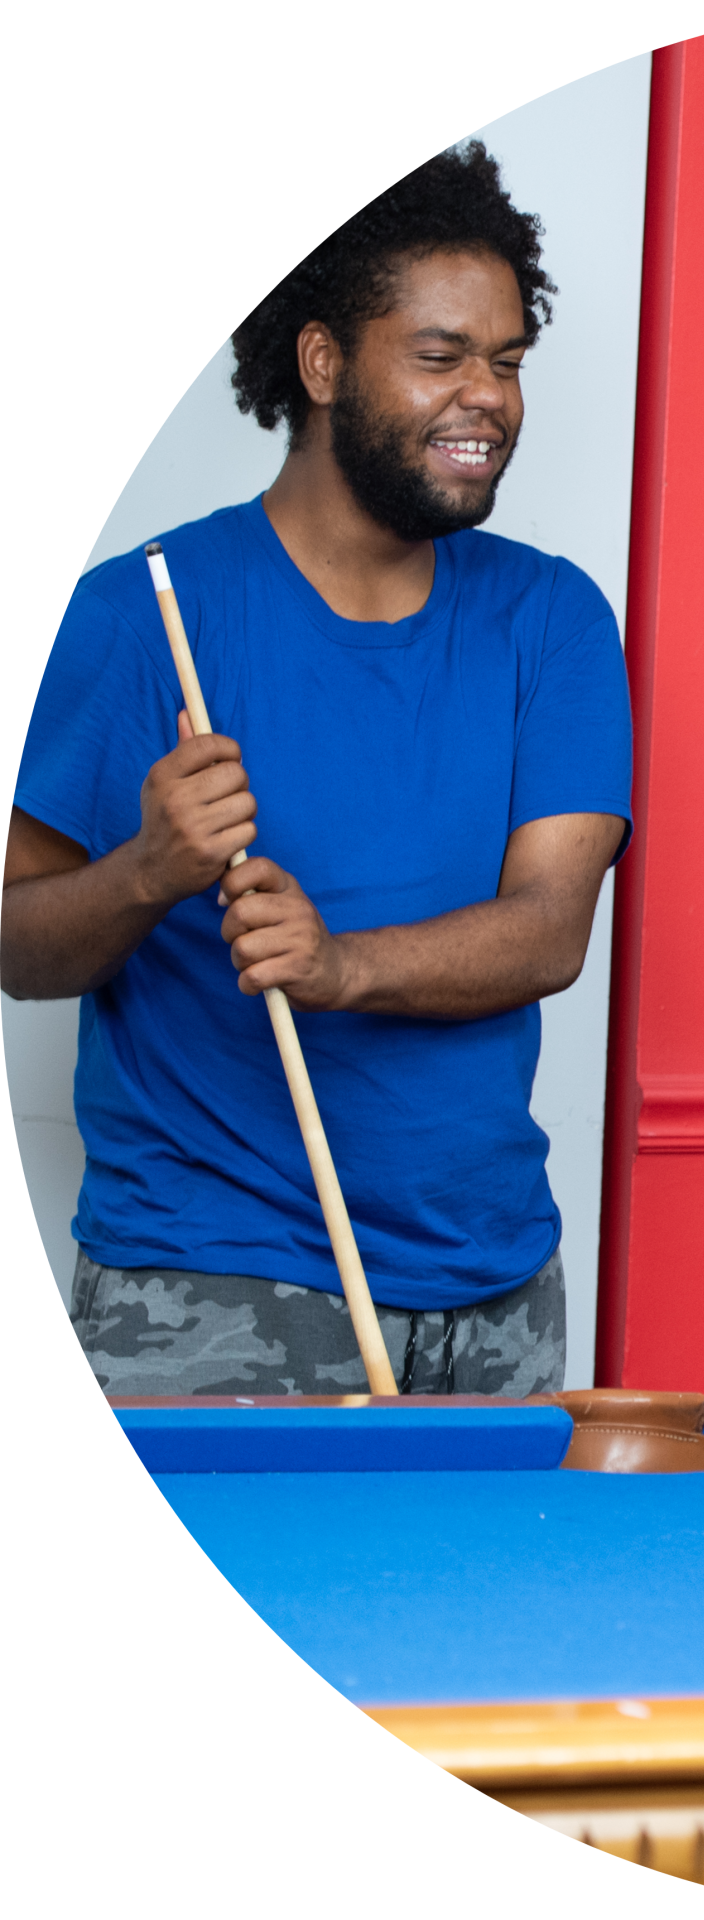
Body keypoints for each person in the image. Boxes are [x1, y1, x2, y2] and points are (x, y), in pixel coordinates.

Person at [4, 145, 633, 1397]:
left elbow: (550, 931)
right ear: (325, 363)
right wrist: (145, 873)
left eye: (508, 362)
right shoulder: (140, 615)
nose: (490, 400)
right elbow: (18, 946)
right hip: (209, 1282)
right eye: (443, 356)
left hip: (498, 1289)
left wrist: (341, 966)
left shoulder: (552, 620)